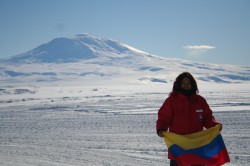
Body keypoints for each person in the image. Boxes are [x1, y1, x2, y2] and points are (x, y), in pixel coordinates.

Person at [156, 72, 221, 166]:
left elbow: (207, 117)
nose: (186, 86)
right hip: (178, 145)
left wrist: (214, 125)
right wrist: (161, 129)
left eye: (188, 83)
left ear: (193, 84)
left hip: (197, 144)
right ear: (179, 85)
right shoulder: (171, 101)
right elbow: (164, 117)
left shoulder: (200, 100)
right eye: (183, 83)